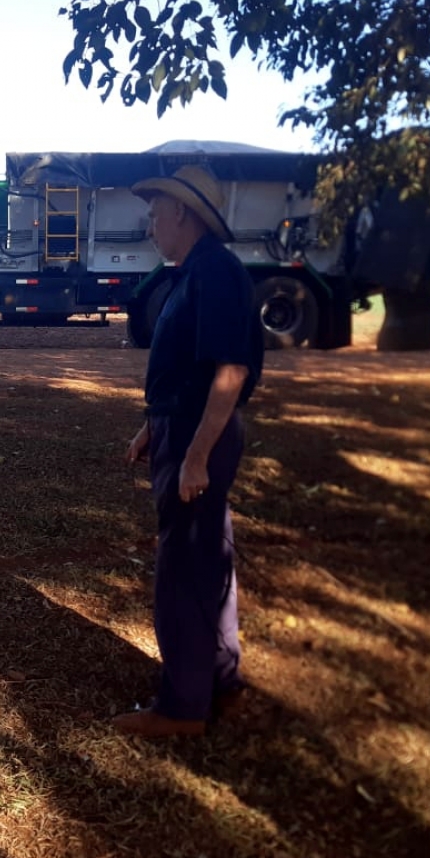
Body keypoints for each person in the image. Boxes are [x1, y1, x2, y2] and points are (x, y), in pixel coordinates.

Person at [115, 165, 264, 738]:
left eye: (156, 212)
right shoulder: (195, 272)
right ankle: (220, 683)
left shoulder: (214, 273)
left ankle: (181, 709)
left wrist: (196, 454)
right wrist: (154, 427)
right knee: (209, 560)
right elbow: (191, 372)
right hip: (183, 429)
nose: (151, 223)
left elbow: (230, 371)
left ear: (182, 213)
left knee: (183, 569)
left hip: (201, 438)